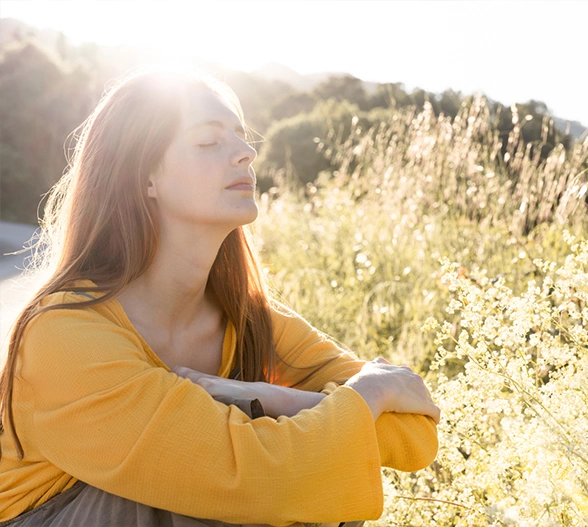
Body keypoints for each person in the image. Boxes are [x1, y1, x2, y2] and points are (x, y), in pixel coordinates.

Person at [0, 65, 440, 527]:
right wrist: (366, 394)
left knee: (308, 455)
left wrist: (272, 397)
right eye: (209, 141)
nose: (247, 153)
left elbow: (416, 434)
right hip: (47, 515)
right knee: (238, 480)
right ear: (143, 177)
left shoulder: (249, 321)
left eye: (242, 136)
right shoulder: (65, 333)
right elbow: (254, 480)